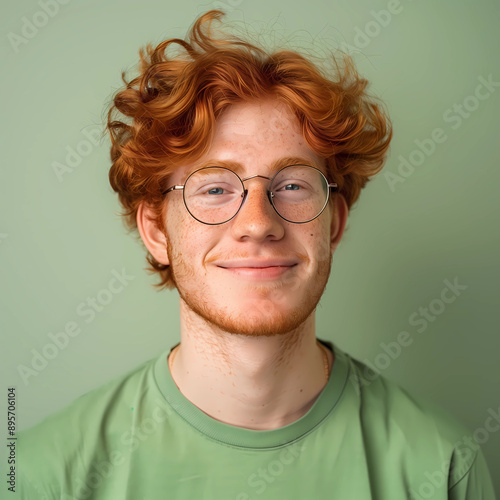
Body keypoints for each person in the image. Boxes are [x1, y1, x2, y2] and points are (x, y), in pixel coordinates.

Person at [16, 9, 495, 500]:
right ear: (157, 230)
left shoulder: (443, 467)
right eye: (214, 189)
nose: (257, 224)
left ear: (335, 222)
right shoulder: (40, 476)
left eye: (291, 184)